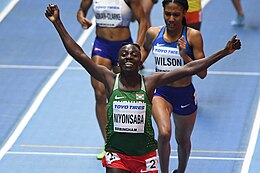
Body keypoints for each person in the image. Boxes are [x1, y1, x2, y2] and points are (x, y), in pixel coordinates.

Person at [45, 4, 241, 173]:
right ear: (118, 61)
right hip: (117, 155)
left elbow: (190, 68)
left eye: (133, 55)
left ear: (141, 61)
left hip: (145, 157)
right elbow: (78, 54)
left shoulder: (149, 83)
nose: (129, 57)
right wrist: (57, 23)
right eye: (124, 55)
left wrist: (224, 52)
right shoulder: (109, 79)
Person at [76, 0, 147, 159]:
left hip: (124, 48)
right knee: (99, 93)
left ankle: (127, 137)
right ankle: (109, 145)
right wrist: (81, 18)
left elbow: (143, 21)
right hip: (102, 46)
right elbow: (81, 10)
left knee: (119, 96)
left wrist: (137, 48)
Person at [141, 0, 206, 172]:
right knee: (163, 134)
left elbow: (202, 73)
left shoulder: (193, 36)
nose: (171, 18)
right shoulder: (153, 33)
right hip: (161, 92)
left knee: (182, 140)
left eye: (176, 15)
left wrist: (185, 55)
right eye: (167, 14)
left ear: (184, 13)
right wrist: (132, 64)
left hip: (184, 94)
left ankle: (181, 170)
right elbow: (145, 49)